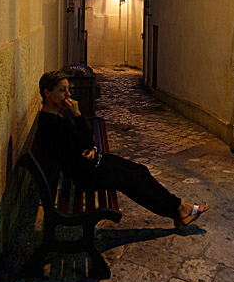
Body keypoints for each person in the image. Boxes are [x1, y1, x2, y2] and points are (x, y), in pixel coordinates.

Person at [36, 70, 210, 229]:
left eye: (68, 89)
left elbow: (83, 144)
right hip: (86, 176)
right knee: (132, 183)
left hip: (91, 165)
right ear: (47, 93)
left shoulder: (55, 115)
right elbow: (86, 141)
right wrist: (78, 115)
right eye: (62, 90)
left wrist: (90, 149)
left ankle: (179, 205)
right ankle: (177, 212)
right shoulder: (51, 123)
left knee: (141, 170)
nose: (68, 94)